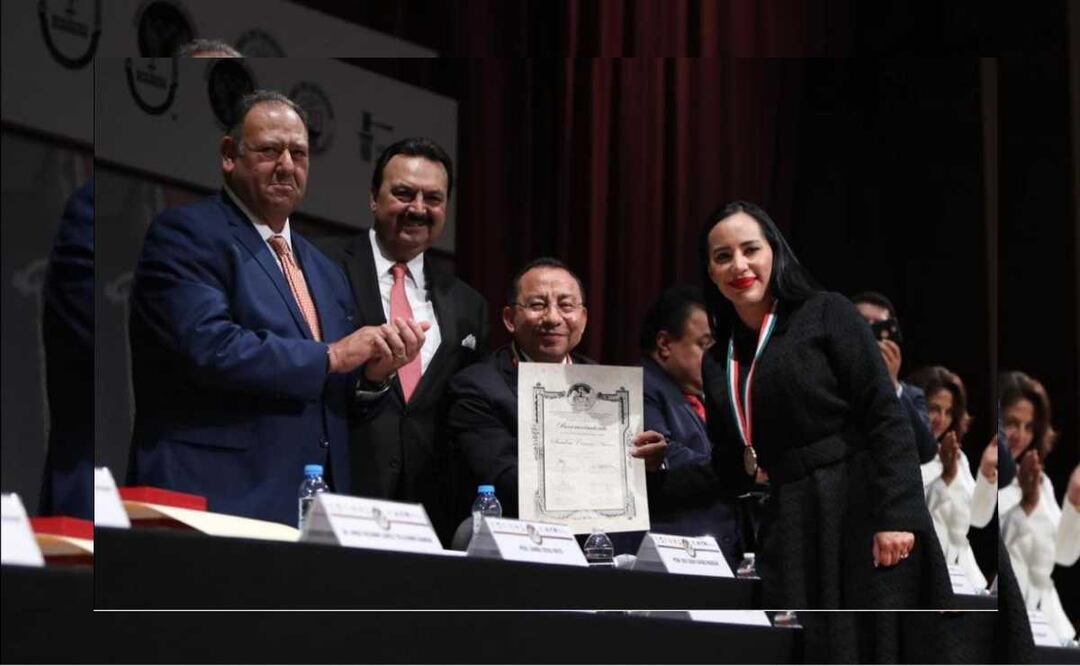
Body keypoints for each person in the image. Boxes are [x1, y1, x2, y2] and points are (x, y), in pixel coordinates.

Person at [127, 90, 426, 526]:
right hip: (216, 497)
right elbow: (211, 348)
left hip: (313, 511)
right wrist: (335, 355)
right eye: (270, 150)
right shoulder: (186, 235)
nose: (287, 165)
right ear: (230, 155)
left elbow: (329, 390)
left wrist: (372, 376)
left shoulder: (324, 270)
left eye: (299, 153)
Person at [697, 200, 949, 609]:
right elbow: (729, 461)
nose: (739, 266)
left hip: (860, 509)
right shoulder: (717, 359)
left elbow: (885, 415)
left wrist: (899, 515)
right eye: (723, 257)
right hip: (788, 522)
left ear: (774, 252)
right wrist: (662, 466)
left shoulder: (827, 312)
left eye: (750, 250)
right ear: (710, 271)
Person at [315, 138, 489, 543]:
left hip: (429, 514)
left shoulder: (469, 304)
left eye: (433, 198)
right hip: (339, 490)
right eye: (403, 193)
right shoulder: (320, 265)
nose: (418, 209)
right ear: (374, 199)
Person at [446, 258, 665, 538]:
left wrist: (647, 463)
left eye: (566, 305)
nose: (552, 318)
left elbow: (638, 483)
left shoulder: (609, 386)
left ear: (583, 319)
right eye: (537, 305)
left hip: (602, 537)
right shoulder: (477, 387)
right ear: (510, 319)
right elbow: (504, 479)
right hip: (520, 537)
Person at [637, 285, 741, 566]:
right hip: (669, 559)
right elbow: (665, 453)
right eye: (705, 345)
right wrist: (741, 468)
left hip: (717, 557)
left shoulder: (709, 396)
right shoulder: (638, 385)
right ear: (665, 344)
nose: (716, 357)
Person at [998, 371, 1076, 642]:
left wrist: (1075, 503)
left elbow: (1064, 556)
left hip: (1047, 619)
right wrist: (1025, 505)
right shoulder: (983, 475)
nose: (1020, 435)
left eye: (1029, 427)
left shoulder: (1041, 482)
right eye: (1011, 423)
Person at [907, 365, 986, 589]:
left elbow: (977, 518)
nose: (941, 419)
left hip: (965, 575)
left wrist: (988, 477)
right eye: (934, 408)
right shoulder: (904, 455)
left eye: (949, 412)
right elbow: (916, 518)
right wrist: (946, 477)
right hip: (924, 572)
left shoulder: (958, 458)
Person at [852, 291, 938, 464]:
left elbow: (925, 451)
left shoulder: (911, 396)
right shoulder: (824, 382)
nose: (869, 334)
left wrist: (892, 385)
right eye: (861, 323)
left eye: (878, 326)